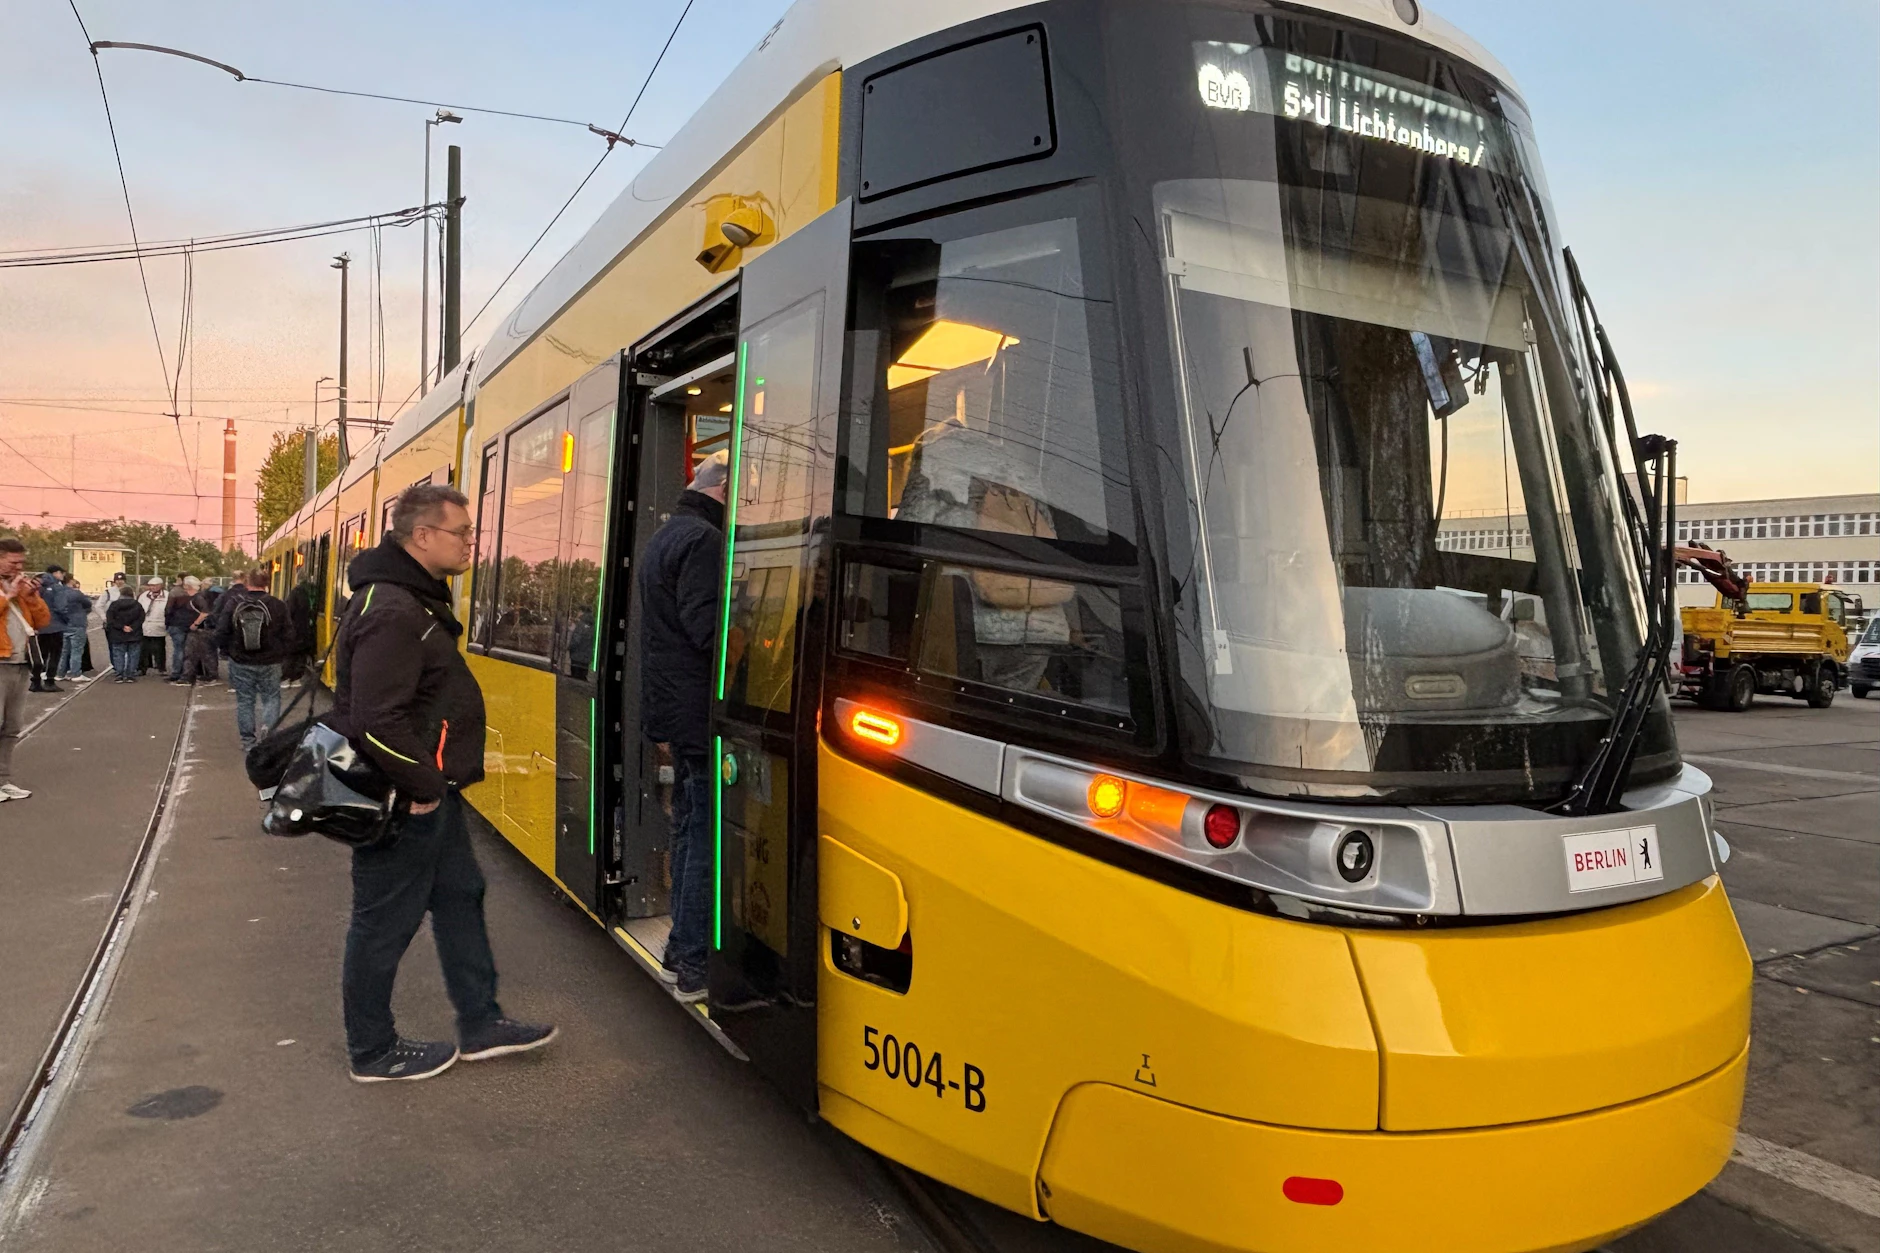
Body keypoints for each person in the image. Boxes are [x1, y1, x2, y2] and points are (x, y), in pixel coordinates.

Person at [328, 483, 554, 1082]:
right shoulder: (394, 610)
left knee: (460, 894)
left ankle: (481, 1022)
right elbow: (376, 717)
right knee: (382, 921)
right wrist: (423, 784)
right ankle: (373, 1051)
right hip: (402, 798)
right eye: (462, 533)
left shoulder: (411, 600)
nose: (471, 544)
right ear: (423, 536)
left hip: (430, 793)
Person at [636, 450, 728, 1004]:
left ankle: (676, 952)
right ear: (723, 490)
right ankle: (695, 963)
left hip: (672, 707)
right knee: (706, 835)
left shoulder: (666, 535)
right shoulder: (706, 542)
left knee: (689, 822)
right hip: (698, 710)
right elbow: (705, 626)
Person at [212, 567, 292, 749]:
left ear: (247, 583)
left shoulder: (234, 603)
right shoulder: (278, 605)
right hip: (270, 661)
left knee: (245, 701)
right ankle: (269, 738)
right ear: (267, 583)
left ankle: (248, 741)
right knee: (271, 698)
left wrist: (229, 651)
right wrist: (281, 654)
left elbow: (221, 632)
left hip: (241, 660)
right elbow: (289, 634)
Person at [0, 537, 52, 801]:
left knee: (11, 727)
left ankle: (3, 780)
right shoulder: (8, 590)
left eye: (21, 562)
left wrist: (32, 597)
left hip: (20, 662)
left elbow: (42, 621)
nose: (19, 567)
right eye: (13, 562)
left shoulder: (20, 588)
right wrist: (7, 596)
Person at [30, 567, 72, 693]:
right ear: (56, 573)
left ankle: (35, 681)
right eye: (61, 573)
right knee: (54, 654)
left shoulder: (38, 586)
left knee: (41, 655)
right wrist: (66, 619)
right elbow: (61, 606)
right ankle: (49, 681)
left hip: (40, 625)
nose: (63, 576)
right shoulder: (57, 588)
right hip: (55, 625)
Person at [104, 584, 146, 682]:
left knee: (118, 654)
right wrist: (132, 627)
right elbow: (141, 618)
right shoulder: (137, 604)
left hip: (117, 634)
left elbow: (110, 620)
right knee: (133, 654)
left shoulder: (114, 605)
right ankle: (131, 675)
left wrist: (122, 627)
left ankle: (119, 674)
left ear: (120, 593)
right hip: (134, 633)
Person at [57, 574, 93, 683]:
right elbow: (88, 603)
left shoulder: (58, 593)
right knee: (76, 650)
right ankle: (75, 673)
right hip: (77, 623)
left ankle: (60, 673)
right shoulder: (76, 593)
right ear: (70, 581)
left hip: (63, 624)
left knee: (64, 651)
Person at [165, 577, 200, 684]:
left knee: (178, 649)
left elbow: (168, 609)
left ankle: (176, 672)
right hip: (189, 625)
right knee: (188, 650)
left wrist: (167, 623)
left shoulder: (175, 593)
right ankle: (188, 673)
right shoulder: (196, 596)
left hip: (176, 624)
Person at [283, 578, 316, 687]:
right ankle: (296, 678)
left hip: (294, 630)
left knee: (290, 655)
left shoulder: (294, 593)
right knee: (300, 655)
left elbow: (289, 611)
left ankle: (286, 678)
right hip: (305, 630)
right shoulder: (308, 594)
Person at [136, 578, 168, 675]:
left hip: (160, 624)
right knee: (143, 649)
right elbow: (139, 608)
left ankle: (161, 668)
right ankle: (142, 668)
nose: (152, 588)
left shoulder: (167, 596)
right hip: (145, 624)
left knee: (159, 648)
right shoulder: (144, 596)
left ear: (160, 585)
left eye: (155, 585)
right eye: (151, 586)